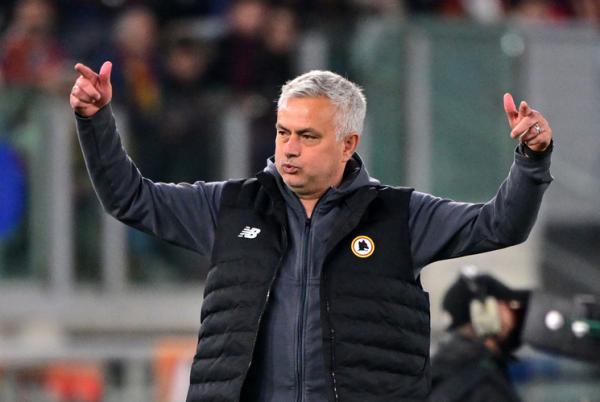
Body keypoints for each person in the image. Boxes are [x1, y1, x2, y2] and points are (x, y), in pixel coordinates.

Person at [70, 61, 553, 402]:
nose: (289, 149)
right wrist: (94, 122)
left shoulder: (399, 215)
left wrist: (531, 161)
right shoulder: (231, 207)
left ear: (348, 144)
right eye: (283, 132)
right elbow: (130, 198)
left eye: (307, 136)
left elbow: (499, 225)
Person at [429, 268, 531, 402]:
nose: (512, 313)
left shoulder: (438, 374)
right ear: (485, 315)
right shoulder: (483, 385)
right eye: (506, 305)